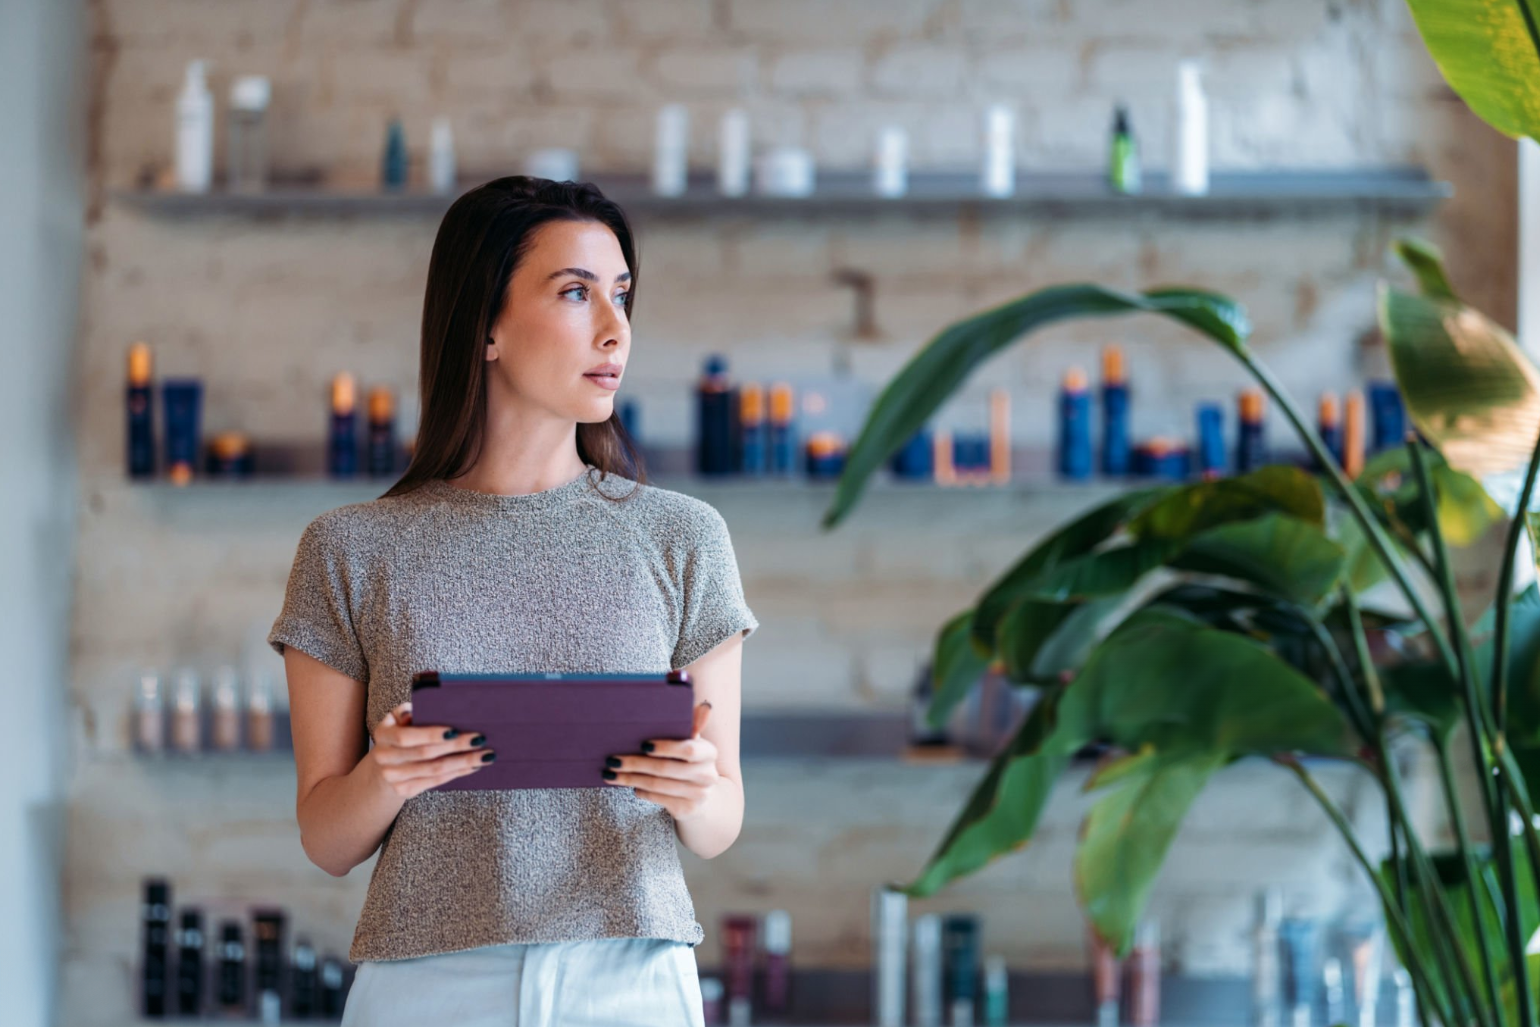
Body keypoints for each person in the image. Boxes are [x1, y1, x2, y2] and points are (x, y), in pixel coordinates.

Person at [267, 176, 759, 1026]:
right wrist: (384, 778)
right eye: (575, 292)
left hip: (630, 978)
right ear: (485, 324)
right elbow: (326, 838)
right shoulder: (350, 549)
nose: (616, 328)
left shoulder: (686, 537)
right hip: (427, 983)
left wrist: (697, 786)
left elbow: (720, 823)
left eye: (622, 295)